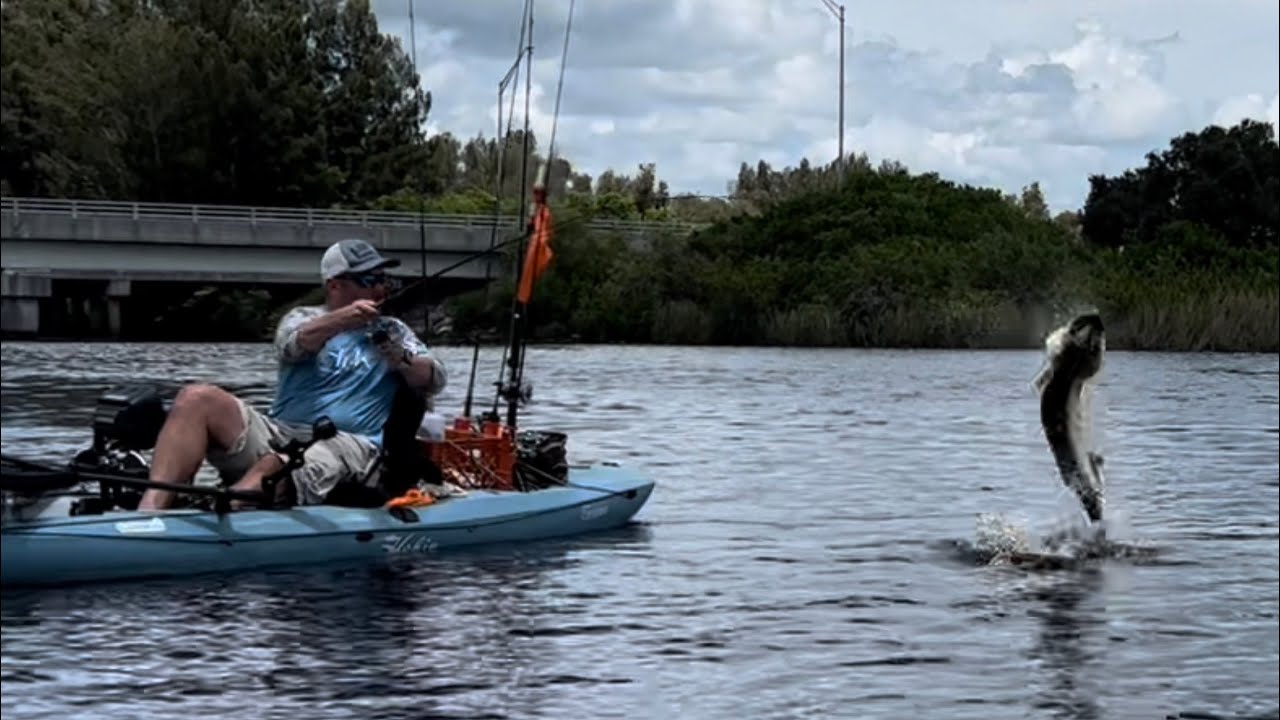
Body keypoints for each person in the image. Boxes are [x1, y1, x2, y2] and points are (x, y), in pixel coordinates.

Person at [137, 239, 448, 510]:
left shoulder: (394, 330)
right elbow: (291, 346)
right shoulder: (302, 318)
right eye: (370, 279)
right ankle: (150, 514)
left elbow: (434, 379)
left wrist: (400, 357)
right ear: (335, 285)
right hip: (282, 432)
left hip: (351, 445)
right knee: (195, 398)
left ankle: (226, 512)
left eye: (383, 279)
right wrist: (342, 320)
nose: (380, 288)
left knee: (276, 464)